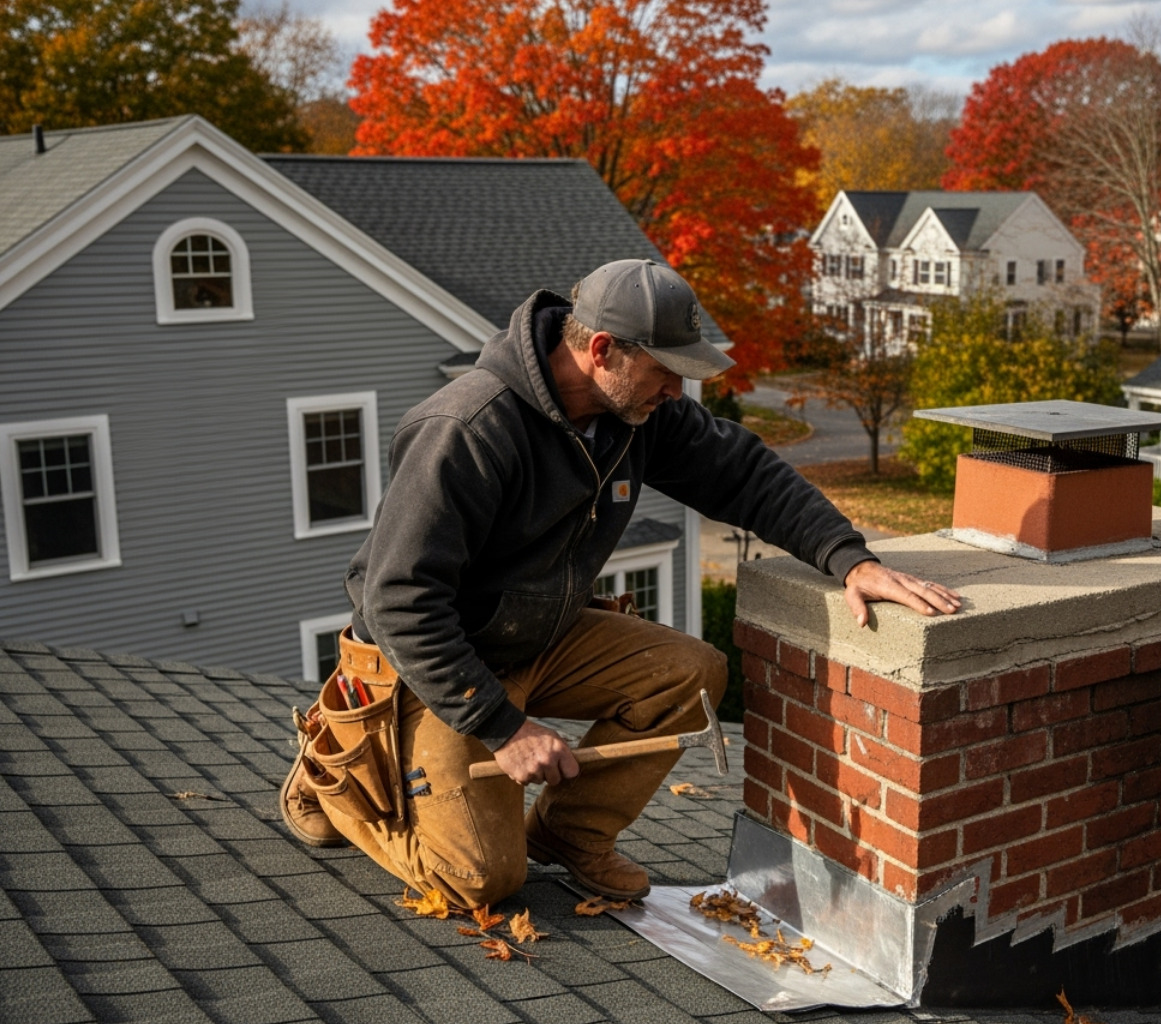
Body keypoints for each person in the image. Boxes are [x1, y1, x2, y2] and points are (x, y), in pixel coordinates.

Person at [280, 258, 961, 908]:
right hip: (429, 661)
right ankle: (332, 779)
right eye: (667, 373)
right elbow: (398, 601)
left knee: (689, 675)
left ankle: (569, 832)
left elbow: (743, 474)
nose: (677, 392)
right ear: (602, 349)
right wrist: (503, 727)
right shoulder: (468, 428)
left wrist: (851, 558)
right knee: (479, 879)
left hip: (534, 634)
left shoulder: (635, 417)